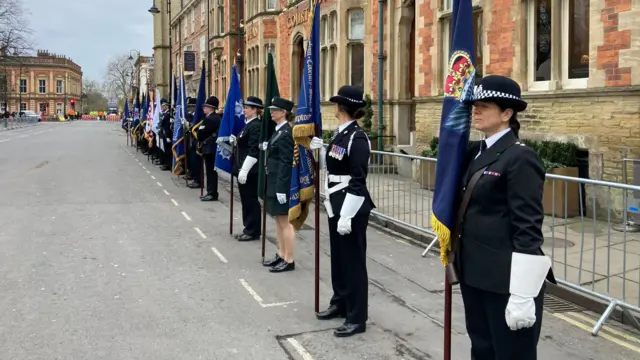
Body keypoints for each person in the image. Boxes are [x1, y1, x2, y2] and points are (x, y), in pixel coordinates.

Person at [454, 75, 555, 359]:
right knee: (482, 349)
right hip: (475, 272)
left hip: (506, 280)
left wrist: (523, 294)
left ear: (507, 113)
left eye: (484, 106)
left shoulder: (520, 157)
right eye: (475, 105)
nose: (475, 110)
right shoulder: (477, 152)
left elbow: (528, 228)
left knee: (511, 353)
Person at [312, 85, 375, 338]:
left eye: (336, 103)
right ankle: (340, 302)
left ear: (341, 107)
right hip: (336, 202)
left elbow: (358, 179)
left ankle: (357, 316)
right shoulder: (342, 134)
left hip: (351, 204)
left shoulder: (357, 138)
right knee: (338, 258)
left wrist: (347, 215)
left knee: (353, 263)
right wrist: (323, 150)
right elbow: (338, 163)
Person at [260, 97, 295, 273]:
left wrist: (282, 188)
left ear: (284, 113)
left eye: (275, 110)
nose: (271, 112)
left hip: (281, 183)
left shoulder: (287, 133)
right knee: (278, 220)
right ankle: (281, 253)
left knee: (285, 222)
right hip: (273, 181)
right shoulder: (278, 131)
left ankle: (289, 259)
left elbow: (285, 162)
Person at [231, 96, 263, 241]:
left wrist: (244, 170)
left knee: (250, 200)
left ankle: (253, 230)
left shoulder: (256, 125)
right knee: (245, 199)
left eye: (247, 108)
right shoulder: (249, 124)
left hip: (250, 170)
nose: (244, 110)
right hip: (242, 167)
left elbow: (253, 150)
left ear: (255, 110)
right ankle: (248, 227)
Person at [197, 96, 221, 201]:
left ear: (211, 108)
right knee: (210, 171)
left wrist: (199, 132)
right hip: (211, 147)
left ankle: (212, 193)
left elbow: (201, 134)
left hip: (210, 147)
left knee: (210, 171)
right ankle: (211, 191)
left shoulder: (210, 119)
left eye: (206, 107)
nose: (204, 108)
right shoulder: (215, 117)